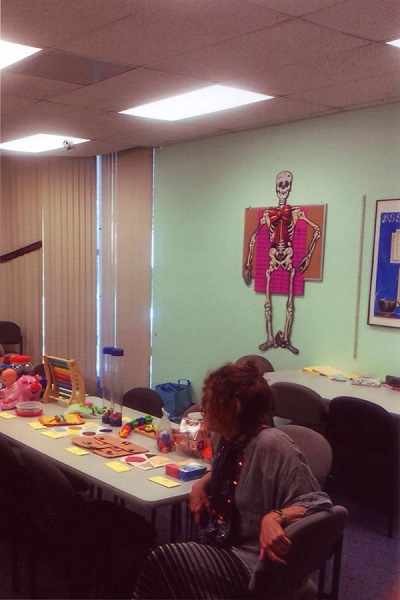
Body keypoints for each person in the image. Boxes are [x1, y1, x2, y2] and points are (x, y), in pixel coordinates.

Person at [133, 361, 332, 599]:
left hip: (252, 559)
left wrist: (276, 516)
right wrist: (203, 482)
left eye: (209, 401)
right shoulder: (224, 438)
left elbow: (318, 502)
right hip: (222, 542)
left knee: (162, 559)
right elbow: (224, 469)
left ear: (234, 408)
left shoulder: (272, 445)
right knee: (168, 571)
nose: (202, 407)